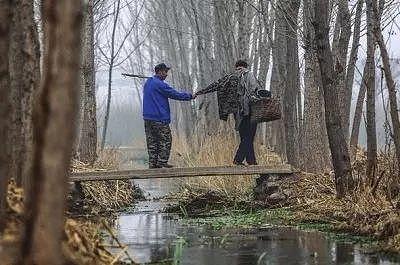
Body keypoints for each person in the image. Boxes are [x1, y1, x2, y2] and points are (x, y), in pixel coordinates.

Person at [194, 60, 262, 165]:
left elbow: (215, 85)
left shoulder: (230, 77)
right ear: (245, 66)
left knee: (245, 137)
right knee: (249, 137)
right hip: (250, 111)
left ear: (236, 67)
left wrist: (201, 92)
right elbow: (254, 90)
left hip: (237, 114)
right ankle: (238, 160)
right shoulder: (249, 75)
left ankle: (252, 162)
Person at [143, 63, 194, 168]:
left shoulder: (149, 82)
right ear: (159, 72)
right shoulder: (160, 84)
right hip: (159, 118)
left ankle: (153, 164)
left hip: (147, 118)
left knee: (152, 141)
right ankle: (162, 162)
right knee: (166, 139)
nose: (166, 74)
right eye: (165, 72)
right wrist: (189, 96)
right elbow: (175, 94)